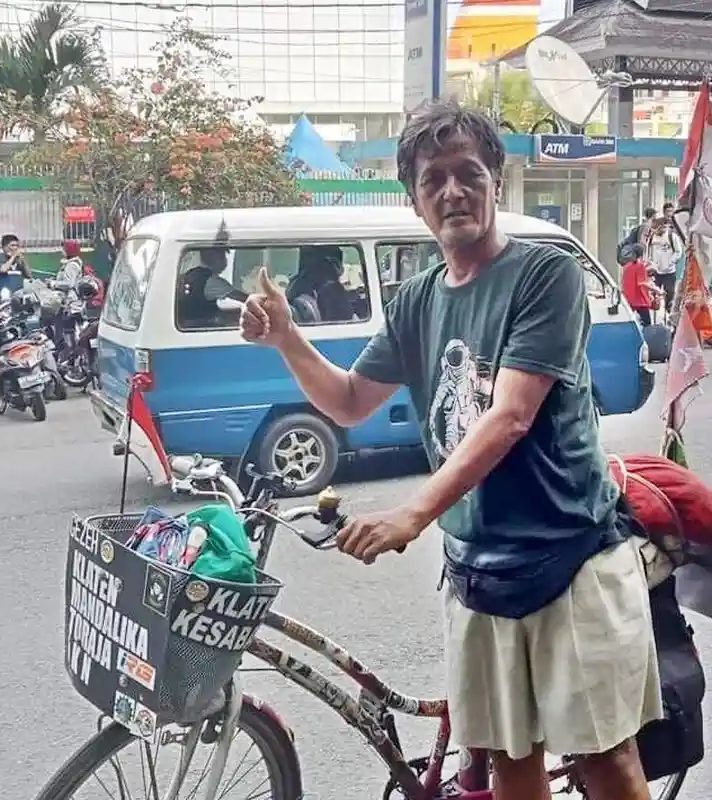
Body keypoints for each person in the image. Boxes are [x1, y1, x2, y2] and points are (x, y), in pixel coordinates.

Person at [239, 101, 661, 800]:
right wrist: (286, 336)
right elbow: (348, 401)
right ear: (414, 198)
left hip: (571, 553)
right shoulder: (417, 300)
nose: (452, 192)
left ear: (497, 179)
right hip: (477, 570)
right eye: (433, 179)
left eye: (469, 173)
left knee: (605, 760)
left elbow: (510, 417)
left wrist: (413, 513)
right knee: (507, 760)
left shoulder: (543, 275)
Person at [643, 214, 683, 313]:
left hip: (669, 272)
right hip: (655, 271)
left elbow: (678, 252)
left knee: (669, 294)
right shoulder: (652, 237)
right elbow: (647, 251)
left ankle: (669, 313)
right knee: (653, 295)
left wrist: (671, 261)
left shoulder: (671, 237)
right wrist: (649, 262)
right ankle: (654, 314)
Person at [621, 244, 663, 328]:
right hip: (639, 300)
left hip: (628, 299)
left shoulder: (626, 267)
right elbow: (642, 283)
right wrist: (657, 290)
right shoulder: (640, 266)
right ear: (641, 254)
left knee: (630, 323)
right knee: (647, 325)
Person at [0, 234, 31, 303]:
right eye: (12, 245)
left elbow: (29, 275)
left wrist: (23, 261)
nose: (15, 248)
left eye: (17, 245)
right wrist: (13, 257)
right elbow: (3, 269)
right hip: (4, 298)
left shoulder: (19, 260)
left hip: (19, 297)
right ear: (4, 247)